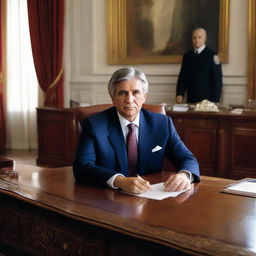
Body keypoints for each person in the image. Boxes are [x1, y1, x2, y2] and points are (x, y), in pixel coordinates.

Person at [73, 67, 200, 194]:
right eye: (122, 93)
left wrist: (184, 175)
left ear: (144, 97)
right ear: (113, 98)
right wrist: (119, 181)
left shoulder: (162, 124)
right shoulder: (95, 125)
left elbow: (187, 158)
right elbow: (82, 167)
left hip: (152, 197)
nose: (129, 100)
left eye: (135, 93)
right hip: (109, 198)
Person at [176, 28, 222, 104]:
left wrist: (215, 100)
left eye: (199, 37)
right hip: (191, 99)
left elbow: (217, 81)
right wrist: (180, 93)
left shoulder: (213, 56)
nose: (197, 40)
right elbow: (182, 77)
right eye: (194, 37)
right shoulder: (187, 56)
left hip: (208, 102)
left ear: (205, 39)